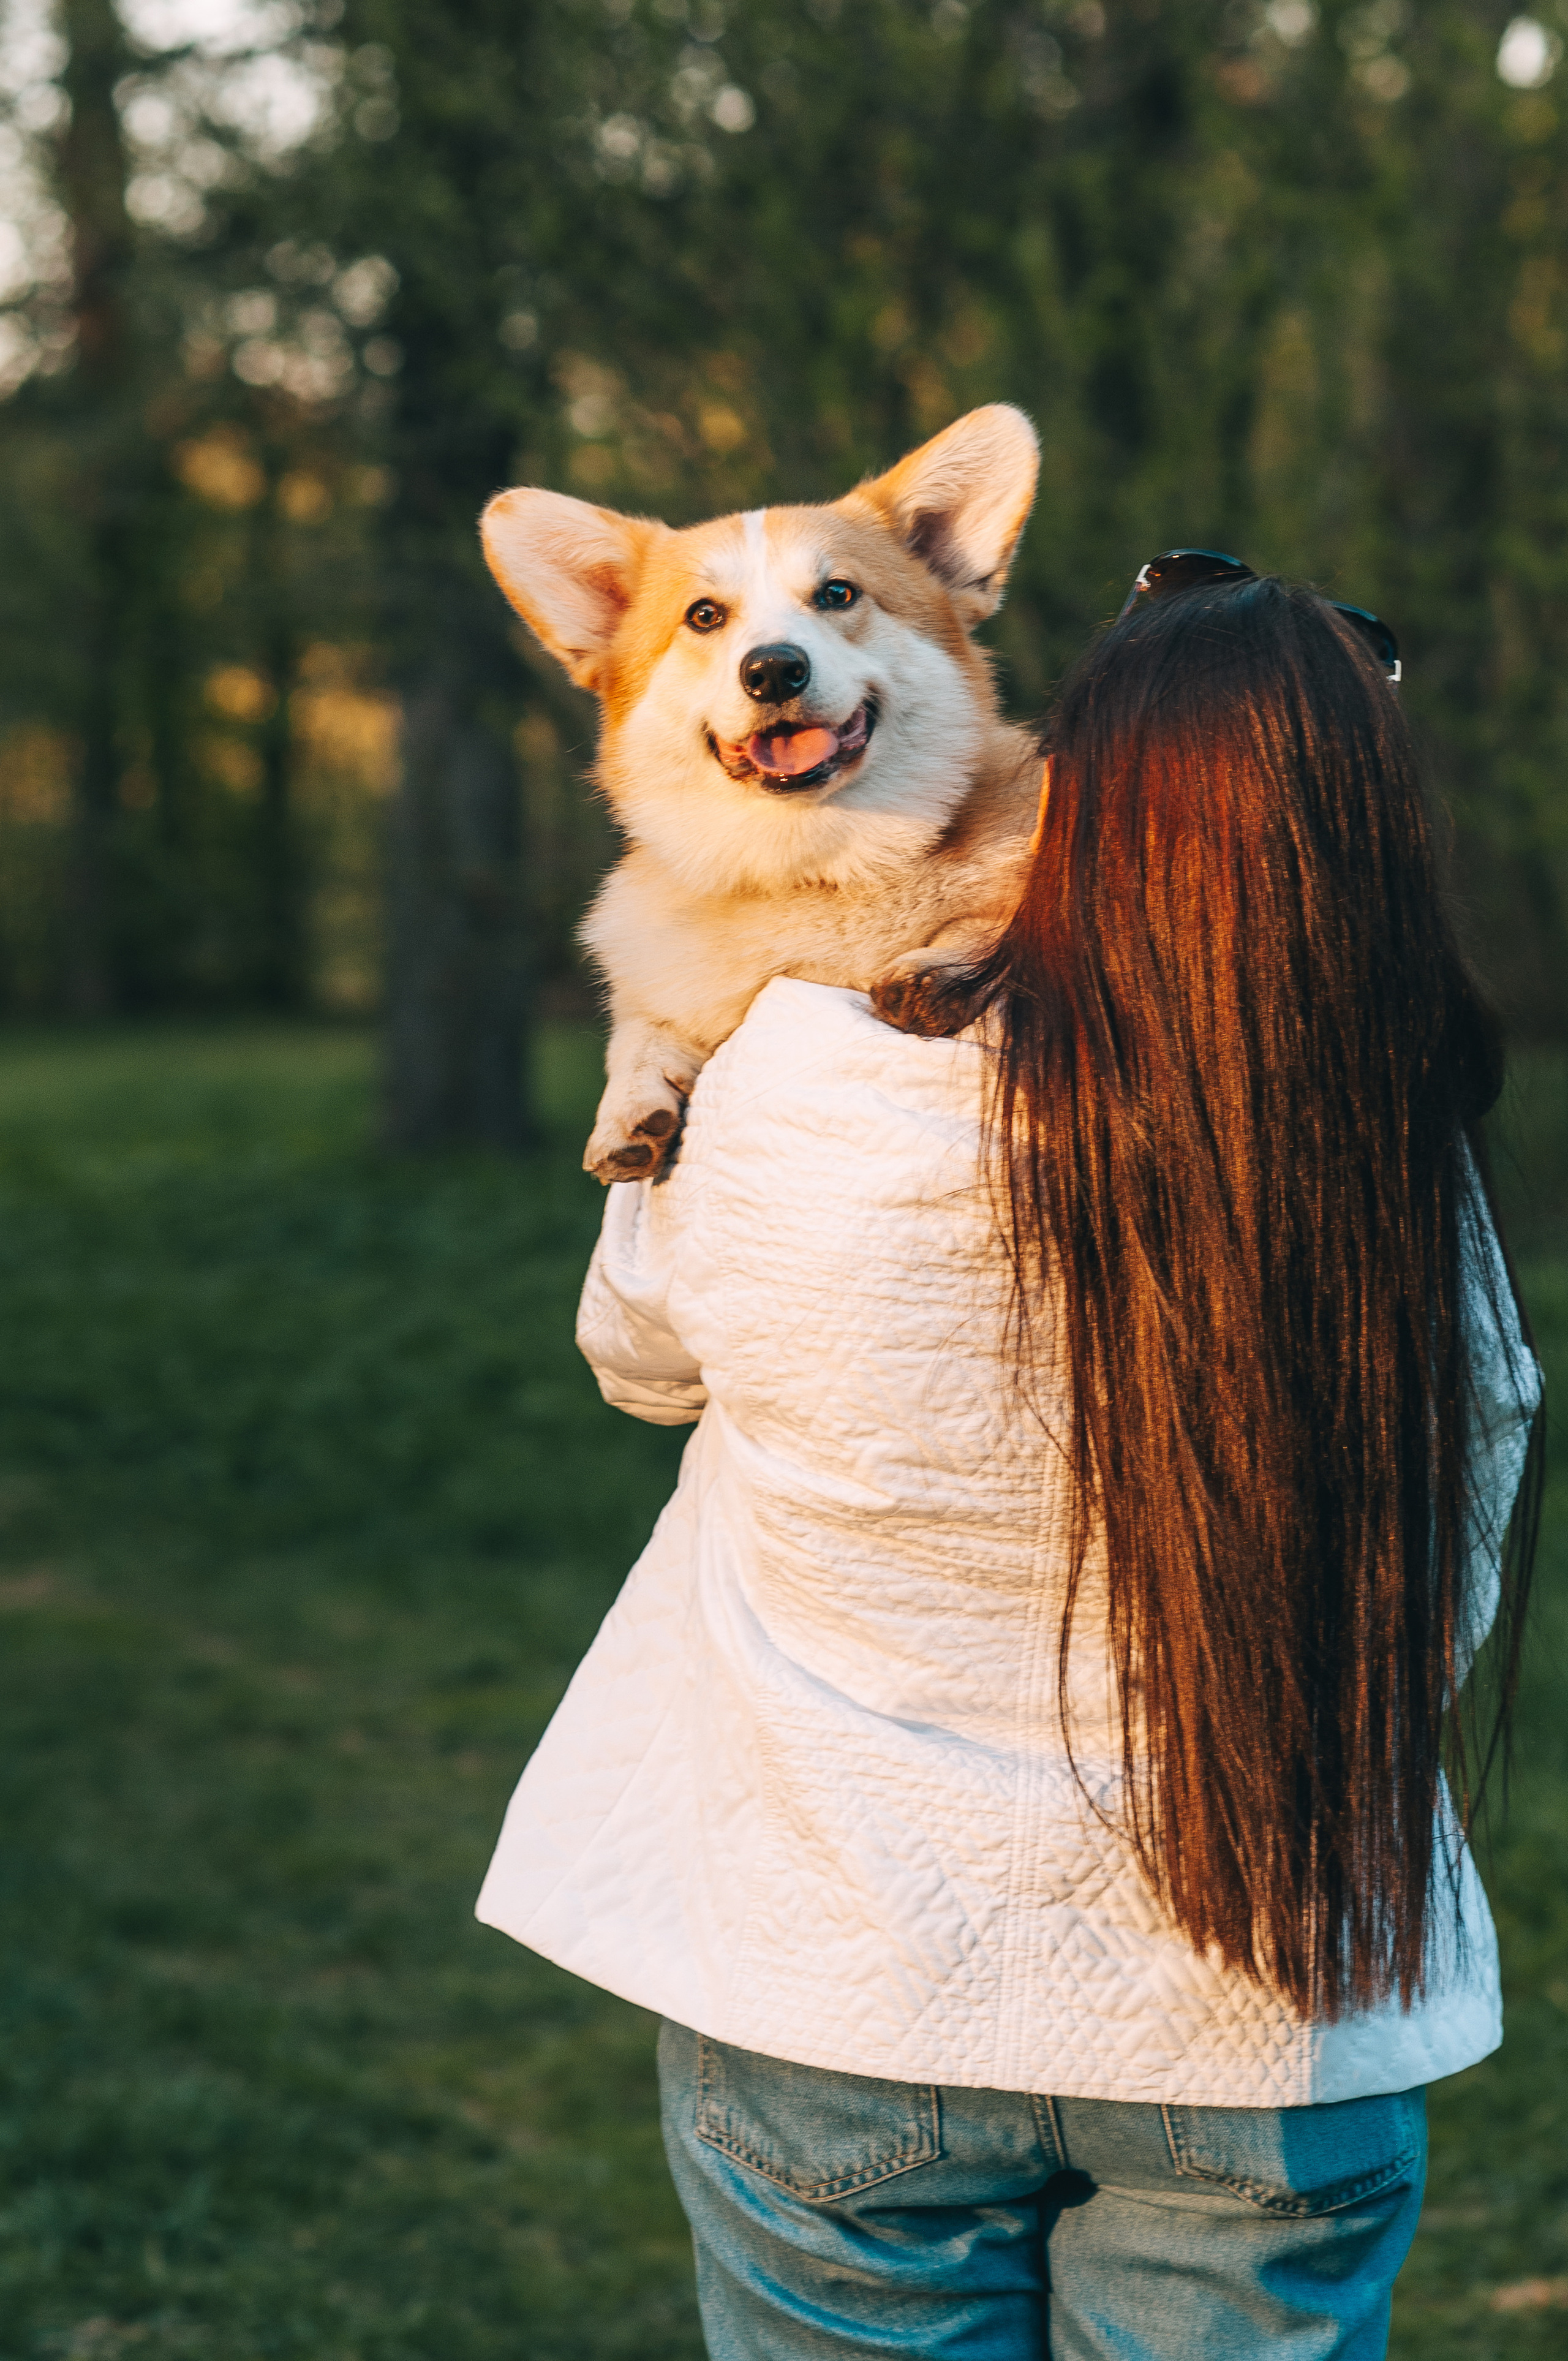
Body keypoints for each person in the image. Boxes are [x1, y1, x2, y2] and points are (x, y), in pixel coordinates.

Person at [477, 562, 1542, 2360]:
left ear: (1071, 789)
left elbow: (641, 1357)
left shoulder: (798, 1069)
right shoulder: (1372, 1141)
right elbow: (1474, 1476)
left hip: (847, 1970)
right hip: (1266, 2002)